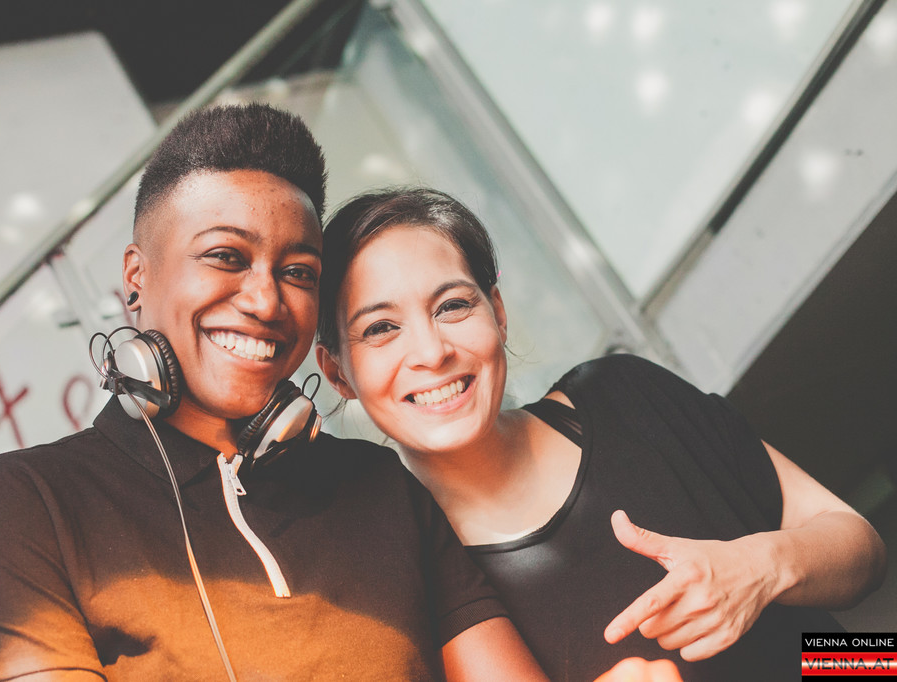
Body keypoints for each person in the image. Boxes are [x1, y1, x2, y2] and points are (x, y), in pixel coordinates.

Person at [0, 105, 680, 682]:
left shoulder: (378, 485)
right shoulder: (27, 501)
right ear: (136, 277)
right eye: (226, 257)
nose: (266, 300)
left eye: (298, 271)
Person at [314, 187, 887, 682]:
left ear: (498, 312)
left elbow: (864, 552)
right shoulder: (411, 588)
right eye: (381, 328)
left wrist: (764, 566)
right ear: (337, 372)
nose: (431, 351)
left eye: (453, 305)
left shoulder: (625, 394)